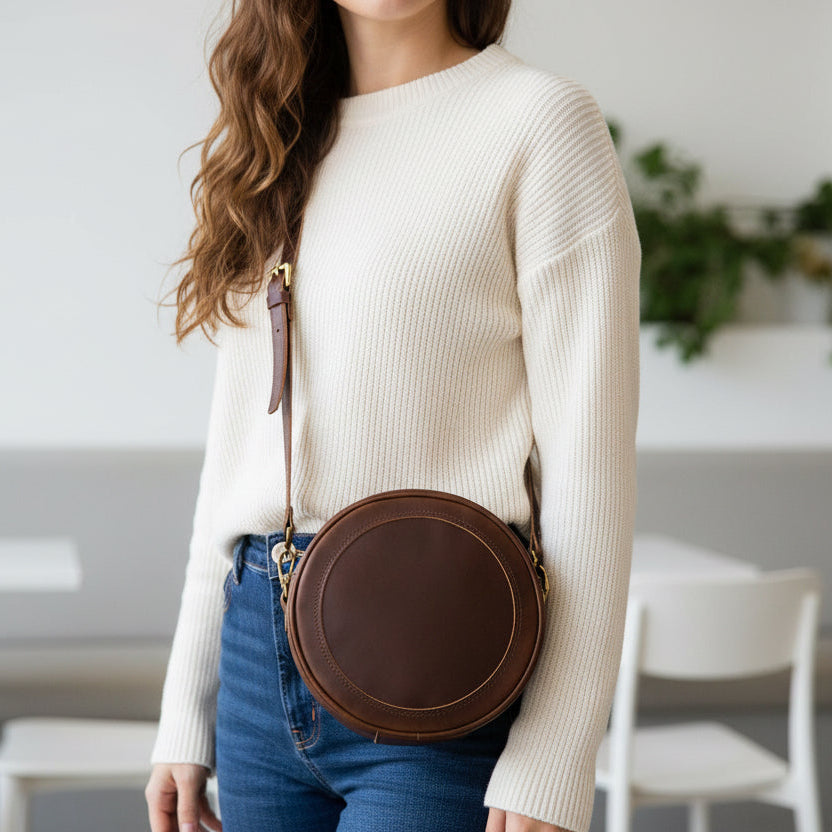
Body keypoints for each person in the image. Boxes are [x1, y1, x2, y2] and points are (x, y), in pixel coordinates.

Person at [144, 1, 641, 831]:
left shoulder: (540, 123)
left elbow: (590, 475)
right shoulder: (270, 140)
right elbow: (239, 454)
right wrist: (186, 709)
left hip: (438, 673)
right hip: (256, 673)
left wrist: (555, 751)